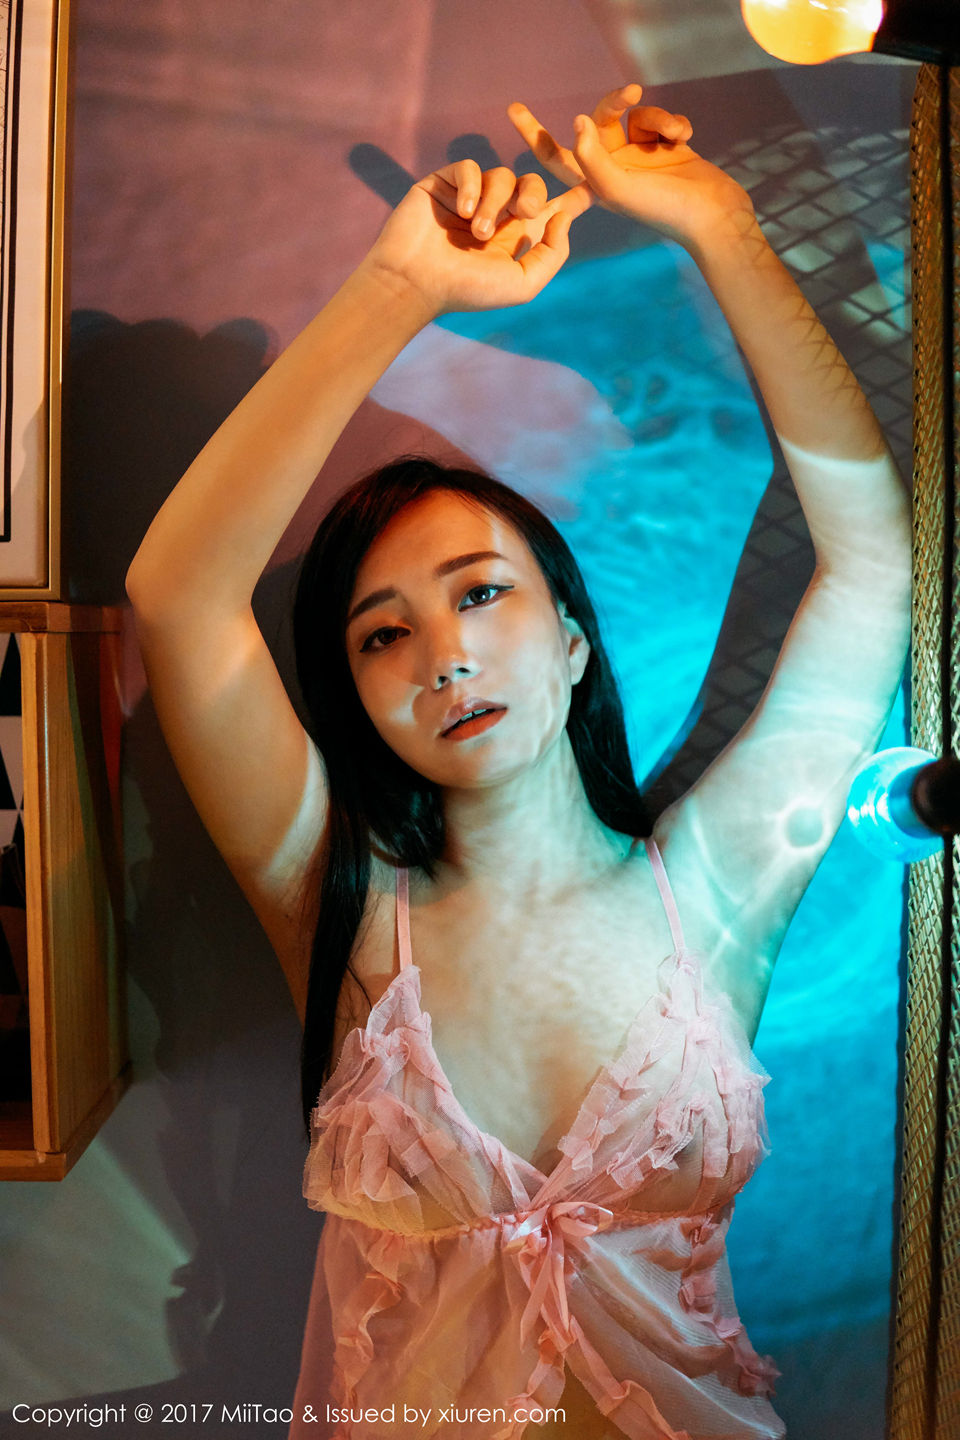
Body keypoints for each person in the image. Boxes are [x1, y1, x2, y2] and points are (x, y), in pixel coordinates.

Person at [125, 82, 911, 1440]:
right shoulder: (337, 903)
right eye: (385, 633)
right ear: (358, 696)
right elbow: (180, 596)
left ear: (573, 641)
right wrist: (399, 286)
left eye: (482, 594)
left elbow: (873, 564)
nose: (443, 655)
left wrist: (722, 224)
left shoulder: (713, 892)